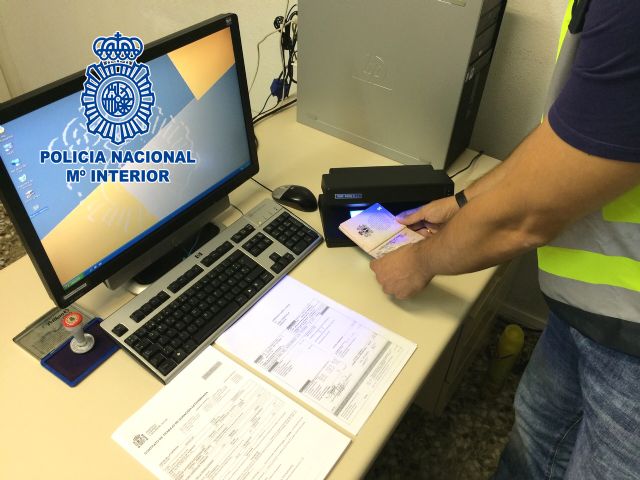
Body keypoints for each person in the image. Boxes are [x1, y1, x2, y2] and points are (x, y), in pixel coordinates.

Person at [370, 1, 640, 478]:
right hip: (592, 307)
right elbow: (568, 136)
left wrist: (419, 262)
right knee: (537, 436)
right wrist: (462, 203)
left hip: (631, 339)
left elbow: (528, 218)